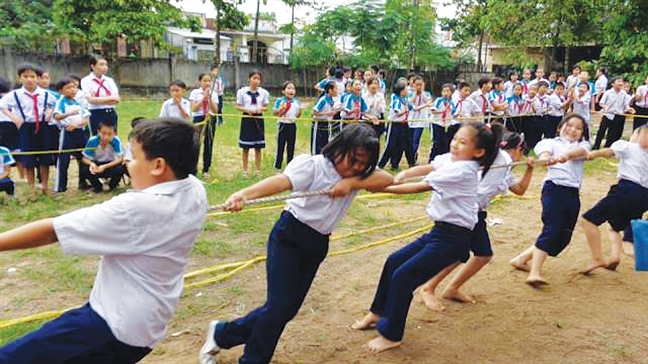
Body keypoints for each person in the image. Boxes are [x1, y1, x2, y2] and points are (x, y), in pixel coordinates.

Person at [0, 119, 207, 364]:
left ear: (158, 165)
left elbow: (52, 231)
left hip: (111, 325)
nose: (128, 164)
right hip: (149, 325)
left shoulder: (137, 209)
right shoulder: (195, 189)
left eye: (134, 157)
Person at [198, 123, 393, 364]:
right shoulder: (314, 166)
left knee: (285, 309)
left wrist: (353, 183)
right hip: (289, 236)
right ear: (339, 147)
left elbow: (387, 179)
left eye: (363, 164)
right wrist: (244, 194)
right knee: (279, 307)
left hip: (318, 244)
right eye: (353, 160)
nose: (356, 167)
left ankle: (222, 334)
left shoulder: (357, 176)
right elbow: (281, 182)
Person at [351, 122, 502, 353]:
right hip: (439, 232)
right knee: (393, 262)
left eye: (463, 142)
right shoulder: (452, 160)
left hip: (453, 239)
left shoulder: (463, 169)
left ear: (478, 152)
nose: (455, 144)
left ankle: (392, 335)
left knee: (403, 277)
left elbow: (419, 188)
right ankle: (377, 312)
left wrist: (380, 188)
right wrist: (402, 173)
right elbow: (429, 167)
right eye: (455, 139)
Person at [417, 131, 535, 311]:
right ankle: (428, 288)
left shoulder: (504, 168)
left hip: (475, 213)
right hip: (466, 211)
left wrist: (529, 169)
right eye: (523, 150)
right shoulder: (502, 159)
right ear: (518, 149)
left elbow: (519, 190)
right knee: (462, 253)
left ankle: (451, 288)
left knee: (481, 254)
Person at [510, 114, 590, 286]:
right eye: (569, 125)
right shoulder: (550, 142)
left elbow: (581, 153)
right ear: (560, 127)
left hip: (573, 193)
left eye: (578, 127)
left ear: (583, 132)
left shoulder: (583, 145)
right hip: (554, 189)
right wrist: (547, 160)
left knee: (563, 236)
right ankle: (535, 272)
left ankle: (521, 259)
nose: (572, 130)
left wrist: (566, 155)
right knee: (552, 229)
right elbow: (544, 155)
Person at [580, 125, 648, 274]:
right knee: (614, 227)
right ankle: (614, 257)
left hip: (626, 190)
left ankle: (597, 258)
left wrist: (593, 154)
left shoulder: (627, 146)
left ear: (638, 135)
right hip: (644, 198)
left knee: (588, 220)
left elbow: (609, 152)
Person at [0, 63, 56, 194]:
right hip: (25, 128)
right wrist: (13, 117)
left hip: (42, 126)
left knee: (45, 158)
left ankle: (45, 185)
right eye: (25, 76)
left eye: (32, 76)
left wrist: (50, 112)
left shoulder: (45, 94)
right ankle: (31, 187)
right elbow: (2, 106)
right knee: (28, 158)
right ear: (20, 78)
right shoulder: (14, 95)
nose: (29, 79)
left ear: (38, 78)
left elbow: (54, 104)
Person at [52, 76, 91, 193]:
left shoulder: (78, 103)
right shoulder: (61, 102)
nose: (72, 90)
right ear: (61, 91)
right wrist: (69, 114)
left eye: (74, 87)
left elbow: (86, 118)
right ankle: (61, 186)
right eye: (68, 88)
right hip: (66, 133)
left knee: (83, 156)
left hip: (79, 131)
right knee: (64, 159)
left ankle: (83, 182)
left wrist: (77, 125)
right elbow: (57, 116)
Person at [236, 70, 270, 178]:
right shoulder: (242, 92)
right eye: (254, 78)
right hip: (247, 118)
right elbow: (238, 106)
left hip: (258, 118)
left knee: (258, 146)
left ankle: (257, 170)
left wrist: (260, 109)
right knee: (245, 147)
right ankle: (245, 171)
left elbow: (266, 107)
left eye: (258, 79)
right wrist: (247, 109)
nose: (256, 81)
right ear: (249, 79)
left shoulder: (263, 93)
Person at [379, 79, 415, 170]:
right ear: (401, 91)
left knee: (402, 145)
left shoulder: (405, 100)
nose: (407, 91)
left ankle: (395, 164)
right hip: (395, 124)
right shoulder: (396, 100)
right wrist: (405, 111)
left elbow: (413, 108)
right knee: (390, 145)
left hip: (404, 124)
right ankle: (381, 164)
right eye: (406, 89)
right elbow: (397, 112)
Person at [80, 122, 125, 193]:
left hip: (111, 164)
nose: (106, 137)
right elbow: (84, 158)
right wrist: (91, 164)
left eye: (109, 134)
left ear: (114, 133)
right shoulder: (93, 141)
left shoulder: (116, 141)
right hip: (97, 164)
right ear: (98, 132)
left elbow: (120, 159)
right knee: (84, 169)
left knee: (121, 168)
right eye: (103, 133)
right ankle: (97, 186)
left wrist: (104, 166)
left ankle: (112, 186)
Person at [189, 73, 219, 178]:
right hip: (199, 118)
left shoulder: (214, 94)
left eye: (209, 81)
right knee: (195, 143)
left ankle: (206, 169)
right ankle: (193, 168)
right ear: (200, 81)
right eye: (205, 81)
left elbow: (216, 110)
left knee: (209, 143)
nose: (207, 83)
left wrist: (209, 99)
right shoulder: (195, 93)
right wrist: (203, 98)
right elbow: (194, 108)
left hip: (210, 118)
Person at [81, 55, 120, 135]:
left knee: (112, 136)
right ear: (92, 66)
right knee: (98, 137)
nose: (105, 67)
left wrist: (97, 99)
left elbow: (116, 99)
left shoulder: (109, 80)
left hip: (110, 112)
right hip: (96, 113)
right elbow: (90, 100)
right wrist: (109, 99)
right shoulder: (86, 81)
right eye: (101, 64)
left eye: (106, 65)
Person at [593, 77, 635, 150]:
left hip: (618, 115)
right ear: (613, 84)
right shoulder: (608, 92)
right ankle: (596, 146)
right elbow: (601, 103)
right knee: (601, 131)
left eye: (621, 81)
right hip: (608, 115)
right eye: (618, 81)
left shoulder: (623, 93)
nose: (620, 83)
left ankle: (608, 147)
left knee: (612, 133)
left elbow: (626, 105)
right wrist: (605, 107)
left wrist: (629, 109)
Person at [273, 81, 301, 170]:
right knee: (280, 146)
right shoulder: (280, 101)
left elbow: (297, 115)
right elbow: (274, 112)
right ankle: (278, 166)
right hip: (282, 125)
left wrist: (300, 110)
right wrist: (280, 109)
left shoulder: (297, 102)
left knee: (291, 146)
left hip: (292, 125)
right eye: (288, 88)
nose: (291, 90)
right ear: (283, 91)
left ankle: (290, 166)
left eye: (293, 88)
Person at [408, 75, 433, 162]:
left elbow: (429, 102)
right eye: (416, 85)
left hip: (421, 121)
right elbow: (410, 103)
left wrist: (422, 92)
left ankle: (413, 158)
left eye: (420, 85)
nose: (418, 87)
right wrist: (415, 93)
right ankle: (411, 157)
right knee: (409, 140)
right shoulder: (410, 93)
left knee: (416, 140)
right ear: (413, 85)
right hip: (410, 119)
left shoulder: (427, 94)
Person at [311, 81, 339, 155]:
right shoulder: (323, 100)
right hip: (318, 124)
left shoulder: (331, 100)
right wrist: (327, 113)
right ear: (330, 90)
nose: (337, 91)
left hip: (326, 123)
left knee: (325, 143)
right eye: (336, 89)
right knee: (317, 144)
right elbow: (314, 112)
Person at [450, 82, 481, 148]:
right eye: (465, 90)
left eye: (469, 91)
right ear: (459, 90)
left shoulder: (470, 101)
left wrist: (473, 120)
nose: (467, 93)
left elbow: (478, 111)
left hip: (465, 123)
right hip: (454, 123)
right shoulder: (454, 100)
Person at [428, 84, 454, 162]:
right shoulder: (439, 100)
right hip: (437, 123)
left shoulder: (451, 102)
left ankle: (442, 159)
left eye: (448, 91)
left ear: (451, 93)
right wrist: (442, 111)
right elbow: (433, 110)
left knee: (444, 142)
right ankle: (432, 159)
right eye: (444, 91)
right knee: (436, 142)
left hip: (445, 124)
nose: (445, 93)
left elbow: (454, 112)